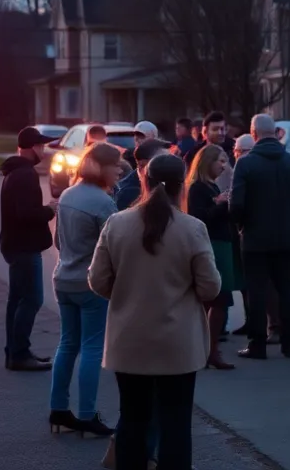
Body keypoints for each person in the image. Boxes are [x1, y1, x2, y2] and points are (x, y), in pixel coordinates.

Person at [89, 153, 220, 470]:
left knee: (133, 418)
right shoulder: (192, 228)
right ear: (181, 186)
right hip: (178, 341)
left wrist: (126, 294)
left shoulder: (117, 224)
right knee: (176, 422)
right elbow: (210, 287)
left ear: (143, 181)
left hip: (129, 338)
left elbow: (97, 280)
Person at [49, 142, 119, 437]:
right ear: (102, 167)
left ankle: (58, 409)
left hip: (63, 278)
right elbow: (112, 249)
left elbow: (58, 241)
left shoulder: (67, 194)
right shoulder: (104, 203)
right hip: (90, 284)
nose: (119, 172)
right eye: (116, 167)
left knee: (67, 344)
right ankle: (87, 415)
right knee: (91, 348)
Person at [229, 114, 290, 360]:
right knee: (286, 289)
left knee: (256, 291)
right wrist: (288, 218)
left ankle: (257, 344)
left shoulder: (245, 163)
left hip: (255, 237)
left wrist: (243, 225)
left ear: (253, 134)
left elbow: (236, 204)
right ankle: (289, 342)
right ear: (274, 132)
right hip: (284, 235)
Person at [0, 126, 58, 372]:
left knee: (17, 300)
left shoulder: (14, 172)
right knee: (32, 299)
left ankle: (14, 351)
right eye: (42, 146)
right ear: (33, 147)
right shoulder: (25, 175)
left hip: (14, 244)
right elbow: (25, 213)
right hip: (24, 246)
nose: (44, 151)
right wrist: (49, 210)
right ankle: (20, 354)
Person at [186, 144, 240, 370]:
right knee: (218, 298)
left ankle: (210, 349)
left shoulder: (211, 186)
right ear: (207, 161)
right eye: (220, 161)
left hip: (221, 244)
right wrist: (220, 204)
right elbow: (199, 218)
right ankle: (210, 350)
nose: (224, 166)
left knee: (219, 300)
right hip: (212, 246)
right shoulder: (197, 188)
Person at [116, 139, 167, 211]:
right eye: (163, 162)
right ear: (143, 165)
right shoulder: (130, 192)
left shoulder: (163, 184)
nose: (168, 165)